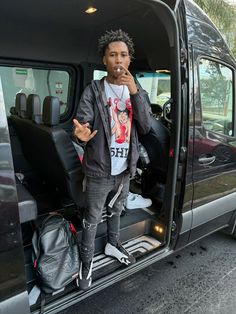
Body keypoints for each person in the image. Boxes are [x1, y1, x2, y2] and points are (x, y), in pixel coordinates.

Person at [73, 29, 152, 290]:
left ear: (129, 60)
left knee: (117, 209)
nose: (119, 60)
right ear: (104, 60)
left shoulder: (135, 91)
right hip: (98, 170)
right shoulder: (94, 90)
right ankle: (86, 264)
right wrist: (82, 135)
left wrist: (135, 92)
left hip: (124, 169)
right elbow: (82, 123)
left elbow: (145, 126)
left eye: (124, 55)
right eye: (112, 55)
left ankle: (113, 243)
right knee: (93, 217)